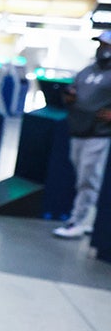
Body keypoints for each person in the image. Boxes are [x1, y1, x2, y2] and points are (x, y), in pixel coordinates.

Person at [53, 31, 111, 239]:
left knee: (89, 179)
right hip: (78, 130)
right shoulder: (87, 71)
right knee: (82, 176)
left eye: (106, 45)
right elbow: (73, 90)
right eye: (100, 45)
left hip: (99, 134)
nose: (102, 49)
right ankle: (88, 218)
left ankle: (79, 220)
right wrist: (69, 96)